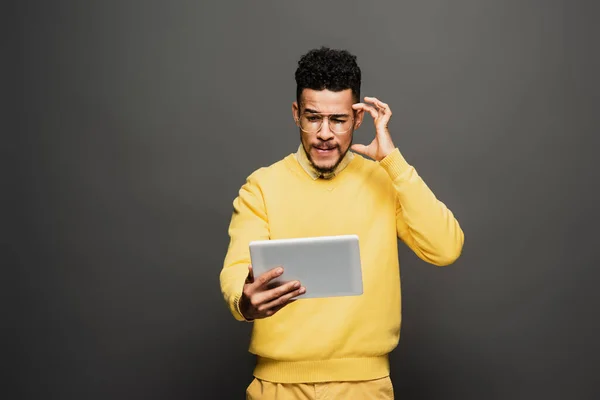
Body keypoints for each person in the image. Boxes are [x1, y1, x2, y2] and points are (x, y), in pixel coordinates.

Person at [219, 46, 464, 400]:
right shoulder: (263, 185)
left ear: (359, 118)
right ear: (296, 115)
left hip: (364, 386)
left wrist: (393, 162)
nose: (324, 133)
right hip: (277, 387)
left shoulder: (385, 180)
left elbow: (446, 248)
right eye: (313, 117)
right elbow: (236, 267)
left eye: (338, 120)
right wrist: (243, 300)